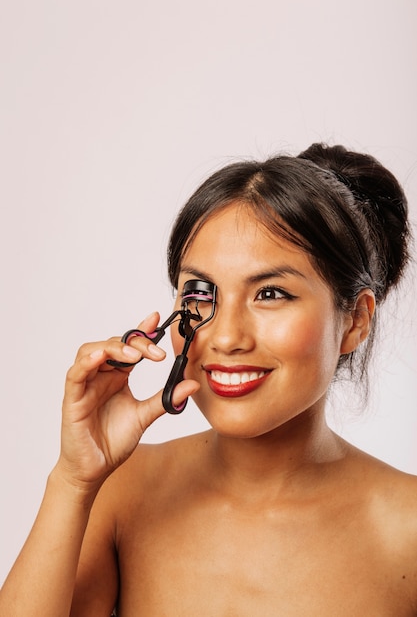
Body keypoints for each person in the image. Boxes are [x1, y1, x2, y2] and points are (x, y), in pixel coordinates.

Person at [0, 143, 416, 616]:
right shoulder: (125, 492)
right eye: (200, 292)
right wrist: (72, 481)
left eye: (270, 293)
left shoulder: (408, 531)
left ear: (355, 321)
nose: (226, 336)